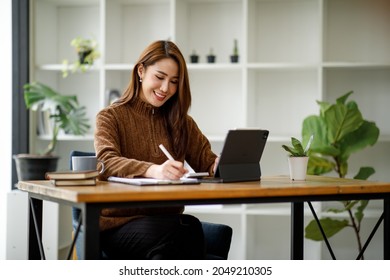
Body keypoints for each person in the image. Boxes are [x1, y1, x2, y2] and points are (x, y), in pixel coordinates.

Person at [94, 40, 218, 260]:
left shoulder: (182, 123)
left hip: (166, 222)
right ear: (141, 71)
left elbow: (207, 162)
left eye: (173, 82)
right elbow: (105, 162)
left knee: (187, 230)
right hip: (119, 225)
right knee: (183, 234)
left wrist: (218, 165)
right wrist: (153, 170)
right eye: (159, 78)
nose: (165, 89)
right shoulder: (110, 117)